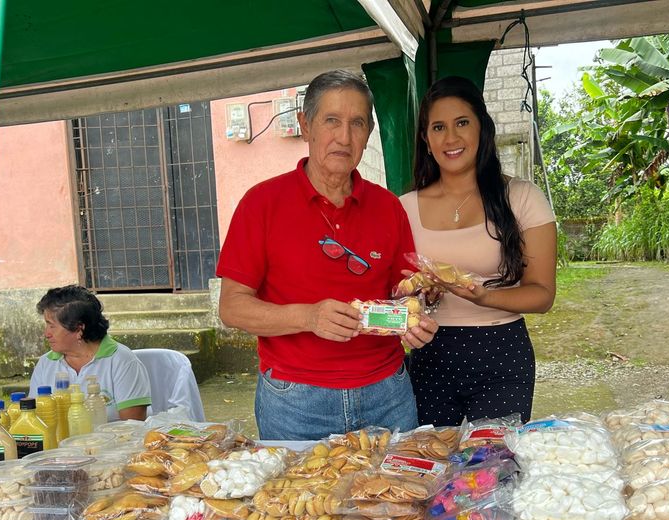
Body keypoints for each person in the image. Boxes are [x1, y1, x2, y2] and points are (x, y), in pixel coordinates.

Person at [217, 69, 438, 441]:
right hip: (295, 401)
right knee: (303, 483)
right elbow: (232, 307)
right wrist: (309, 317)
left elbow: (404, 293)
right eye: (331, 120)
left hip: (387, 392)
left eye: (357, 123)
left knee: (392, 481)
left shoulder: (387, 207)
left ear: (369, 133)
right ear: (305, 126)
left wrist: (417, 316)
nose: (344, 137)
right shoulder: (261, 204)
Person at [399, 76, 557, 425]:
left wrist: (484, 296)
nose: (451, 138)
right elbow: (395, 288)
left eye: (462, 123)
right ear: (426, 139)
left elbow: (543, 294)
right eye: (438, 127)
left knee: (491, 459)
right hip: (430, 356)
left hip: (501, 353)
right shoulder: (403, 207)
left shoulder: (523, 197)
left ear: (482, 129)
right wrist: (417, 296)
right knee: (431, 457)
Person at [28, 285, 150, 421]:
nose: (46, 334)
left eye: (52, 326)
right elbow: (34, 419)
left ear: (79, 329)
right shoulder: (46, 363)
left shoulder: (122, 361)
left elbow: (133, 426)